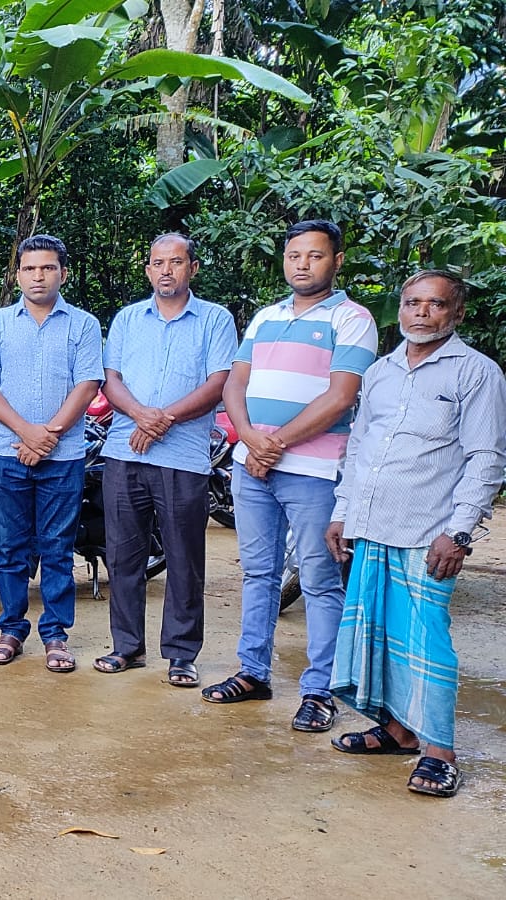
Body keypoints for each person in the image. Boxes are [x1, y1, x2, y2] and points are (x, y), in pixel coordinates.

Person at [325, 271, 506, 798]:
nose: (421, 313)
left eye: (435, 304)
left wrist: (460, 533)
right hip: (373, 526)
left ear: (457, 314)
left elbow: (486, 459)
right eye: (412, 303)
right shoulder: (380, 372)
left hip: (429, 532)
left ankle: (439, 751)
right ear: (399, 309)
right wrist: (342, 514)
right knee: (380, 633)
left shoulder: (477, 373)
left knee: (426, 642)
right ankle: (400, 731)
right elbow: (358, 449)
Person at [202, 220, 377, 734]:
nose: (302, 264)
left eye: (315, 255)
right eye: (294, 254)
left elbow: (340, 396)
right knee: (258, 574)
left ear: (336, 261)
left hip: (315, 471)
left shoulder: (353, 319)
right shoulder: (264, 317)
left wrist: (274, 445)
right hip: (251, 465)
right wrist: (250, 440)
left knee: (321, 581)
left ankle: (321, 691)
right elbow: (236, 385)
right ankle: (253, 672)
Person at [94, 234, 237, 688]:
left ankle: (180, 654)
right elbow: (110, 379)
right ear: (148, 269)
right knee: (123, 556)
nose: (166, 271)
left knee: (184, 558)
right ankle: (126, 647)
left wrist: (162, 420)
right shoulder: (127, 319)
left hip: (185, 458)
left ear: (193, 268)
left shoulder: (215, 319)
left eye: (176, 262)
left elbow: (219, 383)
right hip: (123, 452)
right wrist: (139, 415)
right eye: (158, 263)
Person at [0, 234, 104, 674]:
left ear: (62, 273)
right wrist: (27, 433)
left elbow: (88, 384)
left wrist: (48, 436)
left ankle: (56, 634)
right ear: (18, 274)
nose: (38, 276)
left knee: (57, 548)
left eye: (47, 268)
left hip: (62, 457)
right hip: (5, 453)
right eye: (29, 268)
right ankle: (11, 628)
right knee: (9, 547)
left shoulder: (83, 324)